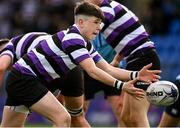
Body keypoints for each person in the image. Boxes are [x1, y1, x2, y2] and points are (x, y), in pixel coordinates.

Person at [0, 1, 160, 127]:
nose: (99, 28)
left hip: (27, 80)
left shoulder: (85, 44)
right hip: (24, 79)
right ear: (81, 22)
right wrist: (122, 86)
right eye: (96, 22)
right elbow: (92, 71)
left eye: (101, 24)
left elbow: (108, 68)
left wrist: (136, 75)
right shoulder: (73, 39)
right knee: (63, 118)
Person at [84, 0, 161, 127]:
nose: (84, 2)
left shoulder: (107, 8)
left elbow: (93, 27)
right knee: (125, 118)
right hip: (136, 60)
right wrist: (116, 61)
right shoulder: (112, 7)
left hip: (144, 60)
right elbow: (128, 39)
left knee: (137, 116)